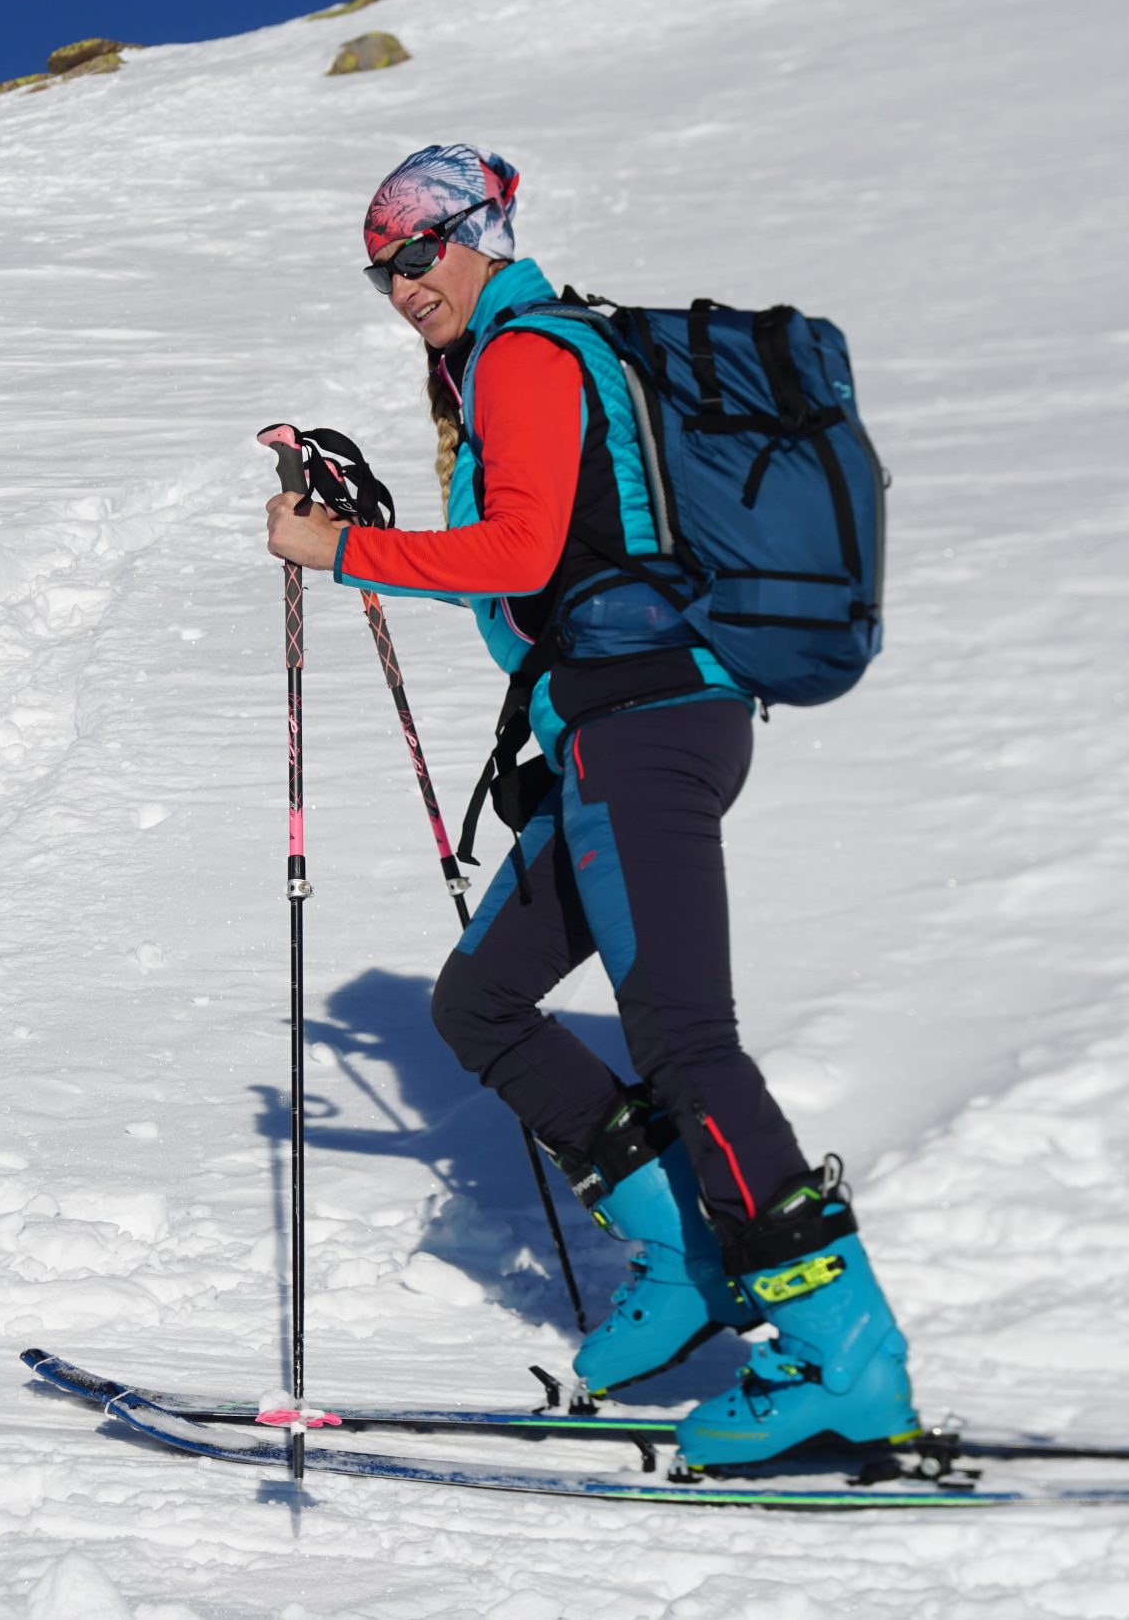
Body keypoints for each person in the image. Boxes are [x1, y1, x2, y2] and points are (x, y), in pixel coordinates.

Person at [260, 144, 916, 1469]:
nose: (399, 284)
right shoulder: (497, 363)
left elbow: (522, 552)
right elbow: (537, 573)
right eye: (379, 267)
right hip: (606, 729)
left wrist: (338, 554)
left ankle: (849, 1363)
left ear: (480, 233)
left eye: (416, 252)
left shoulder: (529, 351)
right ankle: (686, 1259)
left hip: (648, 724)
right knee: (481, 1002)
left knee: (685, 1039)